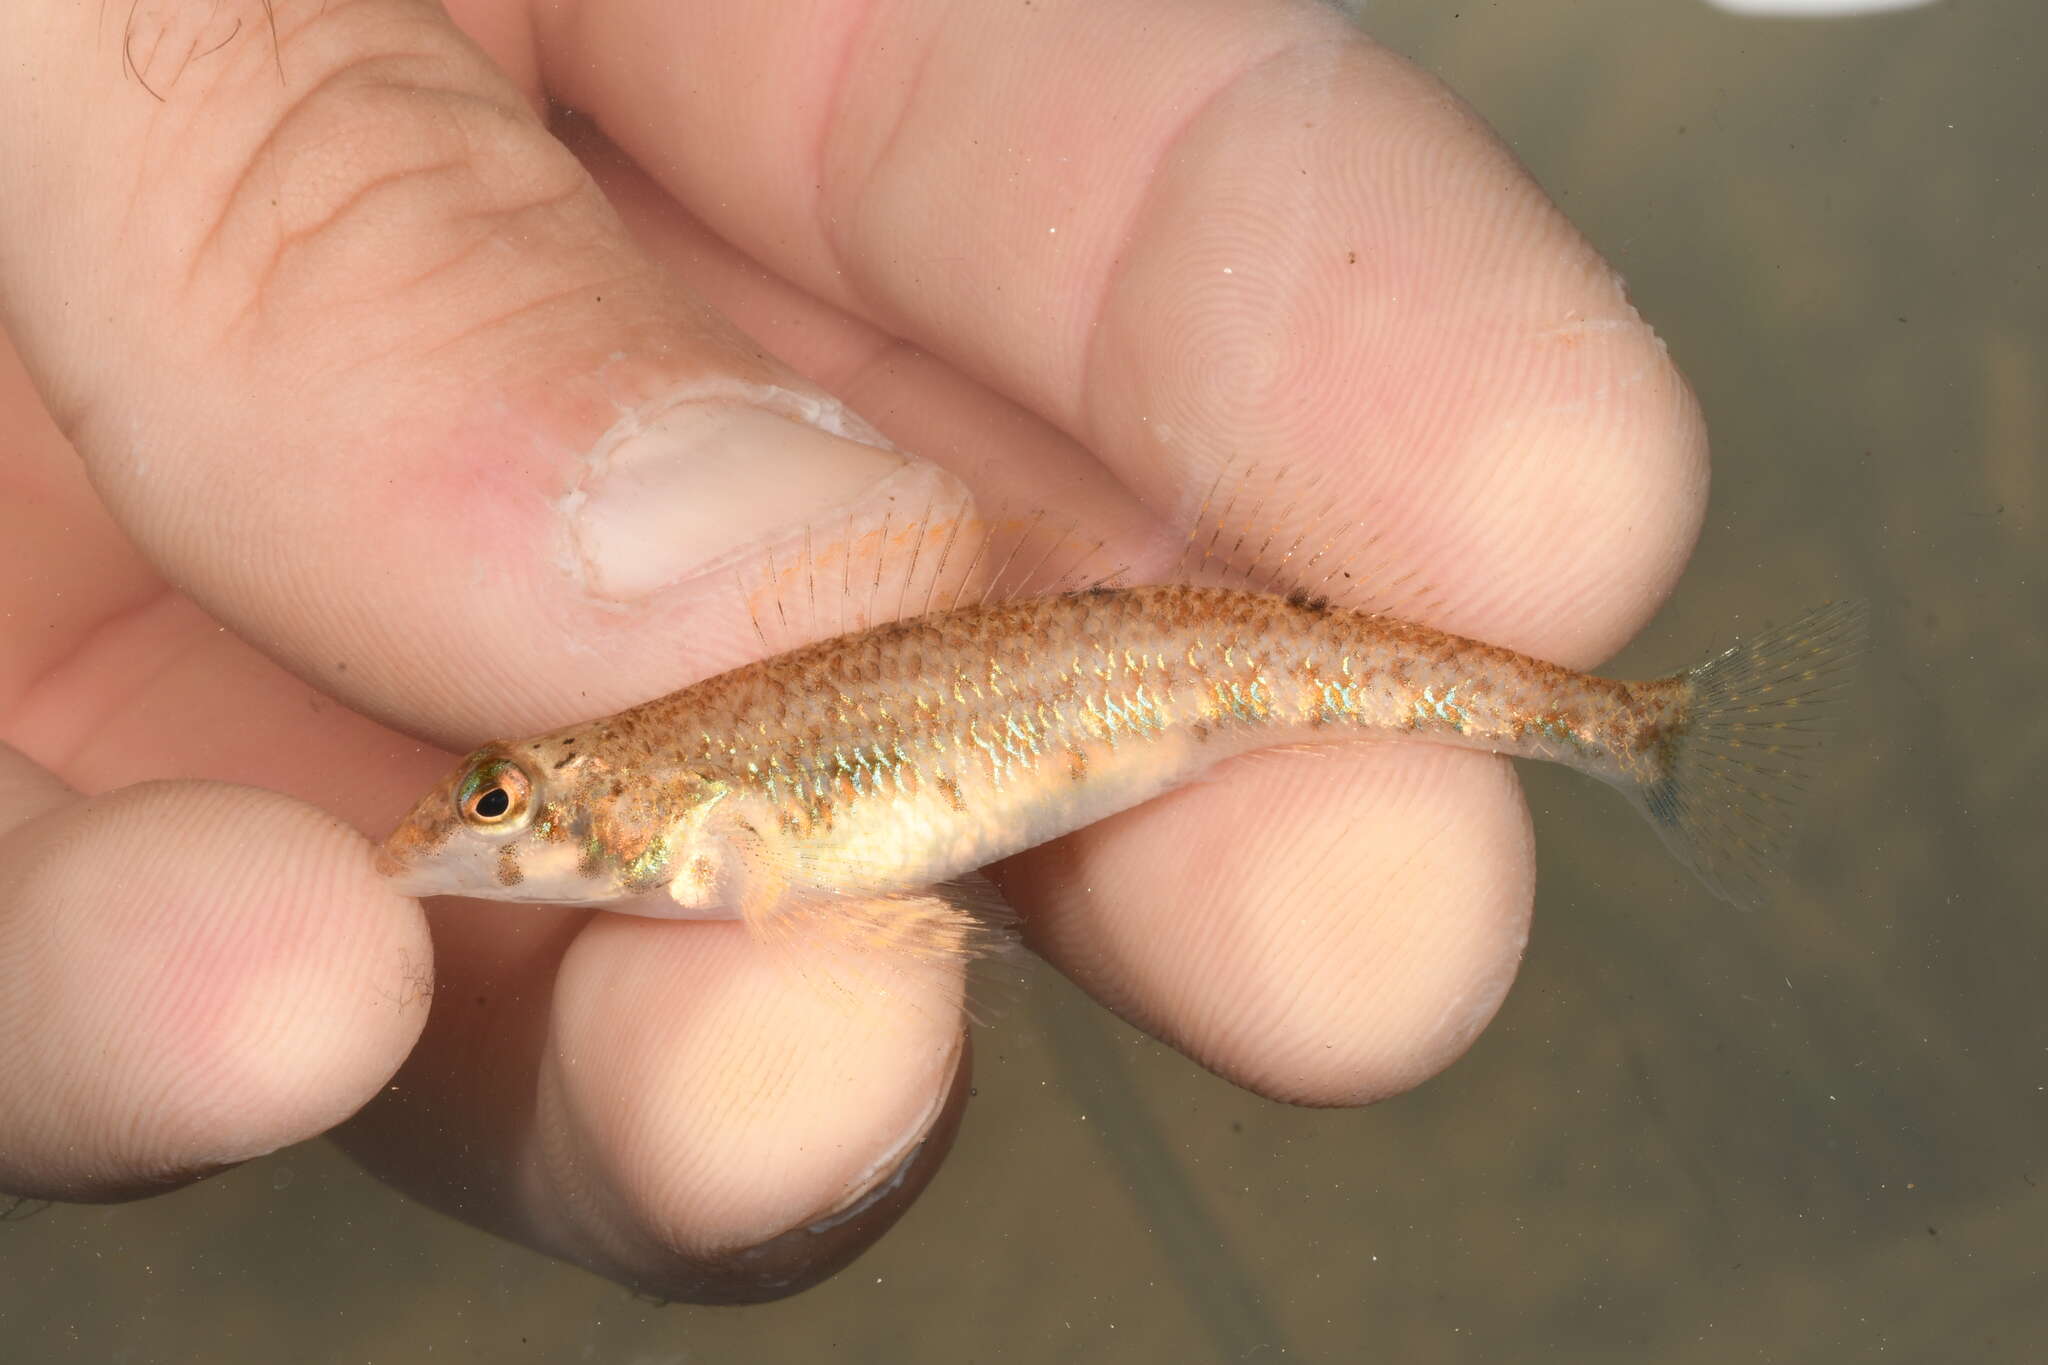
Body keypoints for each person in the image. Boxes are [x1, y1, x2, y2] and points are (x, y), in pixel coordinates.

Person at [0, 0, 1705, 1302]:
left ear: (620, 804)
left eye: (505, 802)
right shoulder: (686, 826)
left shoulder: (696, 823)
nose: (476, 834)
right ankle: (1617, 732)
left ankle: (1624, 731)